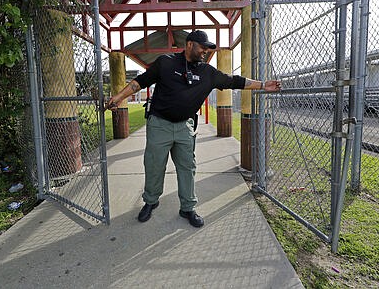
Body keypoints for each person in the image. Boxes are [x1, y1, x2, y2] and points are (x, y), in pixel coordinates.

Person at [105, 30, 281, 228]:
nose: (206, 51)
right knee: (154, 166)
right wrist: (118, 97)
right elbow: (140, 82)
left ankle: (188, 207)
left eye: (208, 48)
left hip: (185, 127)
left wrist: (263, 85)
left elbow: (235, 81)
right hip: (159, 124)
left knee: (187, 167)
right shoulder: (166, 62)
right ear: (189, 44)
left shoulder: (208, 73)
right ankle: (151, 201)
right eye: (202, 46)